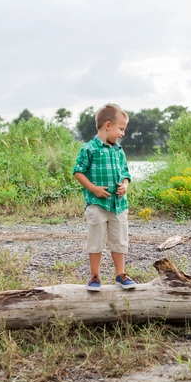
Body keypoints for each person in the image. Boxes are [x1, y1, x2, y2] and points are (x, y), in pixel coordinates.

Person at [72, 104, 136, 291]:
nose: (123, 134)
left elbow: (126, 173)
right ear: (108, 125)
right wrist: (93, 189)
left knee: (119, 240)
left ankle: (120, 274)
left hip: (119, 205)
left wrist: (125, 185)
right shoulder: (89, 148)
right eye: (121, 129)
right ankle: (94, 276)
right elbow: (78, 172)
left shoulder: (119, 150)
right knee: (96, 240)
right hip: (97, 204)